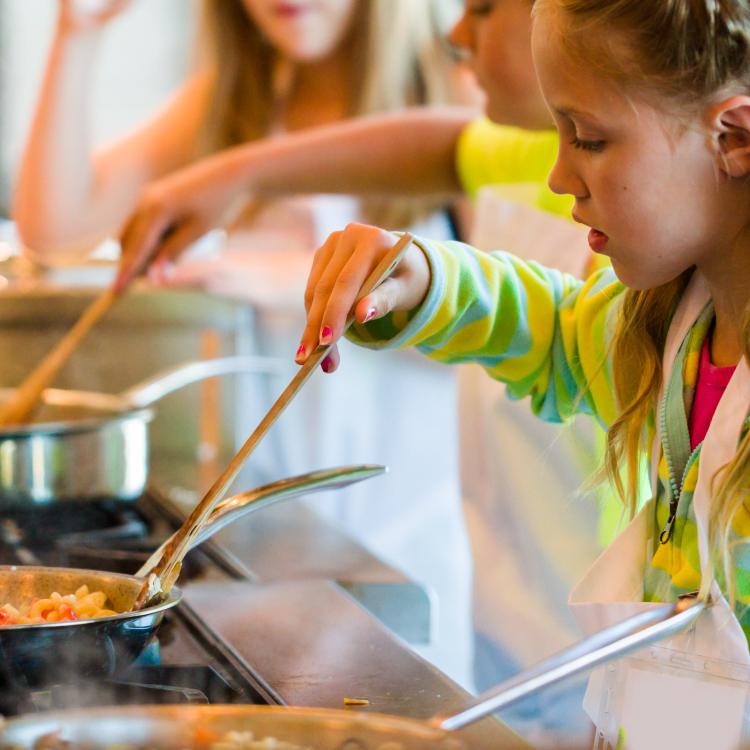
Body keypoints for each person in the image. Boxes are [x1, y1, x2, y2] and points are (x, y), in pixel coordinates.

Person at [296, 0, 750, 745]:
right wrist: (426, 278)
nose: (560, 174)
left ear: (734, 137)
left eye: (591, 139)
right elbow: (559, 333)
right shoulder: (681, 327)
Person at [13, 0, 482, 688]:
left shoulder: (457, 90)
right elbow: (55, 228)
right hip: (267, 538)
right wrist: (75, 34)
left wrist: (282, 279)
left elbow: (512, 301)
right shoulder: (241, 97)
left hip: (402, 531)